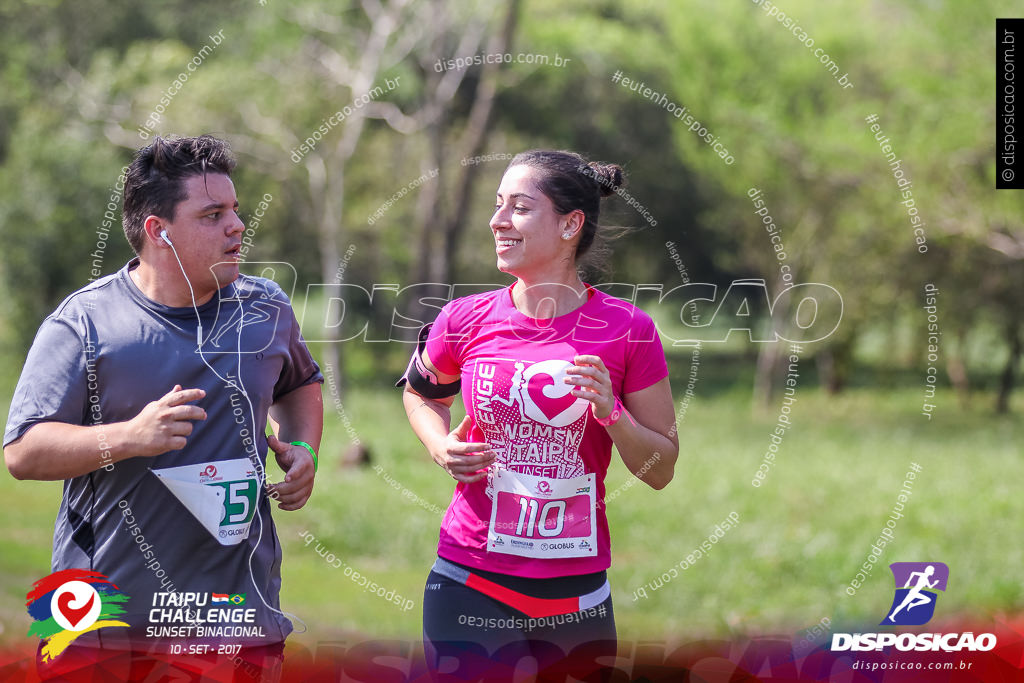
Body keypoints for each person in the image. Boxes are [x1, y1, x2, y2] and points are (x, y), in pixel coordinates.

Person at [4, 135, 324, 681]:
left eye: (236, 211)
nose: (237, 227)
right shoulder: (84, 324)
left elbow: (300, 384)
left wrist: (300, 447)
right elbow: (23, 452)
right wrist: (128, 437)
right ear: (158, 231)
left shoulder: (264, 309)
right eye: (213, 214)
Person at [399, 150, 678, 680]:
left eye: (520, 208)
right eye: (498, 204)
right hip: (469, 578)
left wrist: (612, 412)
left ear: (571, 224)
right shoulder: (464, 317)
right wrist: (440, 446)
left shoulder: (628, 329)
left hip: (576, 595)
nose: (498, 220)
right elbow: (421, 395)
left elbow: (661, 470)